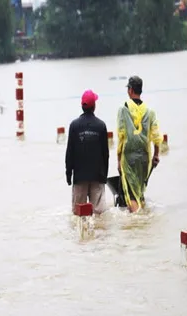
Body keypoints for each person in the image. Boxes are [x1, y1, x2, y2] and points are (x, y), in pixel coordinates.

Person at [117, 76, 162, 213]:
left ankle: (138, 222)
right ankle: (143, 223)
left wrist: (119, 161)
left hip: (128, 157)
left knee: (131, 194)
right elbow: (156, 136)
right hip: (145, 157)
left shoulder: (123, 109)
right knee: (140, 190)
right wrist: (156, 154)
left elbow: (121, 135)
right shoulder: (150, 112)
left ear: (130, 90)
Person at [65, 90, 109, 215]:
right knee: (99, 215)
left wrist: (69, 174)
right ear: (94, 106)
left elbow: (70, 153)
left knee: (79, 215)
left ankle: (81, 235)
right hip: (97, 176)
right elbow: (105, 154)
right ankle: (99, 235)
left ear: (82, 106)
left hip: (79, 177)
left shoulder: (74, 126)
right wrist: (104, 176)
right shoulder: (101, 126)